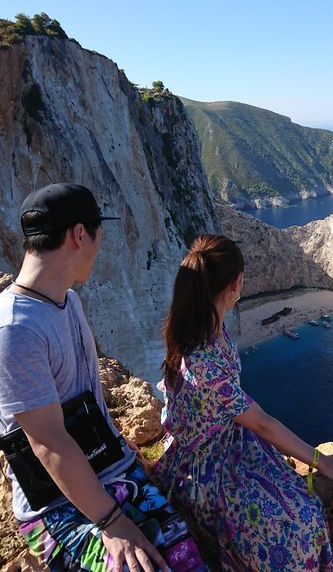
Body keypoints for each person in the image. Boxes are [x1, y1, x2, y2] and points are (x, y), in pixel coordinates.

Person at [0, 183, 206, 571]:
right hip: (56, 503)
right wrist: (112, 521)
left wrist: (121, 448)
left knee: (185, 557)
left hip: (108, 466)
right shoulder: (14, 329)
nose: (100, 245)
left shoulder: (68, 301)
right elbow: (47, 441)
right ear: (80, 234)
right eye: (98, 233)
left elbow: (85, 396)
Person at [156, 234, 333, 570]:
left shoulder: (205, 327)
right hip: (204, 469)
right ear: (237, 283)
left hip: (225, 441)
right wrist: (324, 462)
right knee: (301, 524)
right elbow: (261, 423)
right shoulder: (203, 358)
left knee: (303, 507)